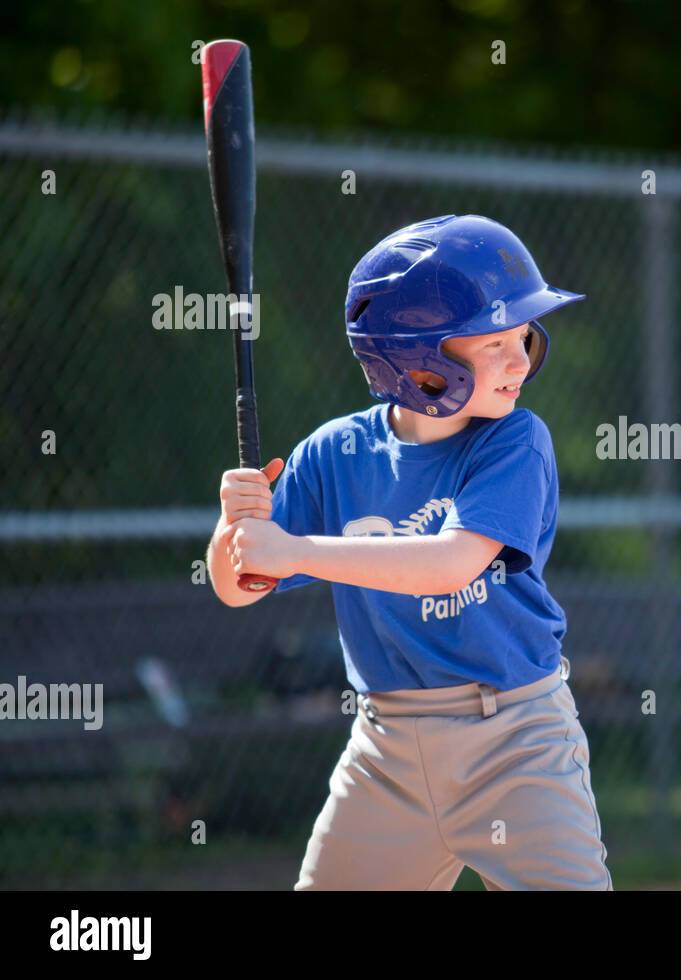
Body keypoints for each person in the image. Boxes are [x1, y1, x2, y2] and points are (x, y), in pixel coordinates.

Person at [206, 214, 612, 890]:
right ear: (419, 363)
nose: (523, 359)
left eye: (525, 337)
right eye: (495, 342)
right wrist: (236, 534)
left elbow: (452, 563)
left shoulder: (513, 442)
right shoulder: (335, 454)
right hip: (386, 751)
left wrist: (295, 549)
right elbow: (235, 583)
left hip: (515, 739)